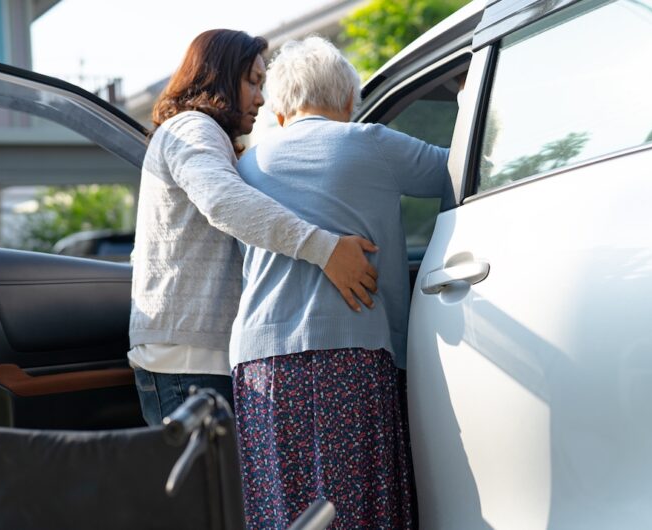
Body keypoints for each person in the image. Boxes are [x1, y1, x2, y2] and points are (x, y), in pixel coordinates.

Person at [230, 36, 452, 529]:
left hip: (261, 365)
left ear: (281, 111)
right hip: (350, 358)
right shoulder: (370, 142)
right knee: (358, 510)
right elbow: (460, 169)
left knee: (283, 511)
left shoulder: (248, 165)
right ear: (349, 101)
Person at [128, 29, 379, 426]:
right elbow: (223, 201)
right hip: (189, 364)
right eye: (252, 81)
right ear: (219, 76)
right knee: (209, 489)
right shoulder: (192, 128)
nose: (261, 98)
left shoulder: (200, 135)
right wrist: (325, 249)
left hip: (192, 357)